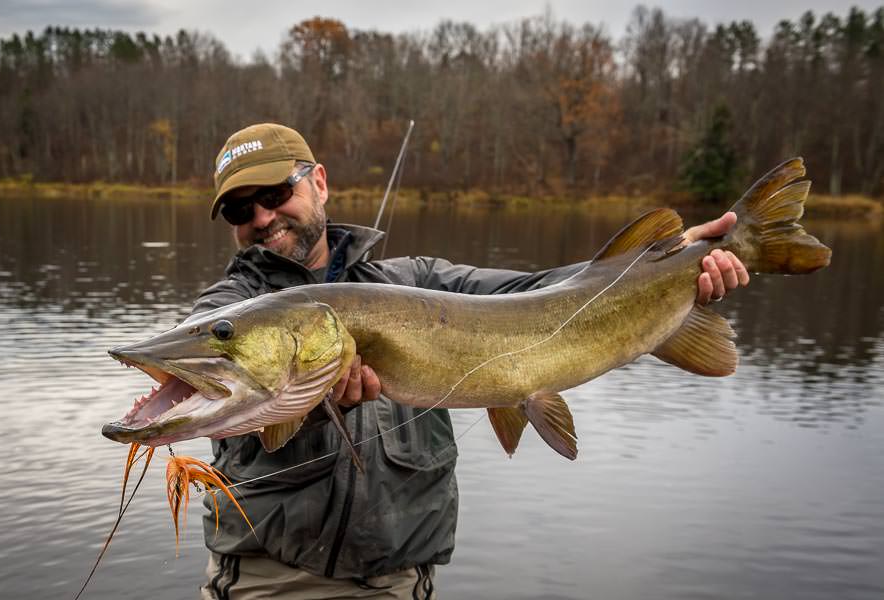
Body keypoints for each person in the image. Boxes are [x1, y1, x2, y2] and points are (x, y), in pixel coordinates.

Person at [194, 123, 750, 599]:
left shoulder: (417, 282)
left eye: (274, 193)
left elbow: (546, 290)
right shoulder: (225, 314)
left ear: (319, 182)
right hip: (264, 583)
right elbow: (222, 407)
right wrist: (313, 399)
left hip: (396, 583)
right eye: (242, 209)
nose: (263, 217)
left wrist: (671, 263)